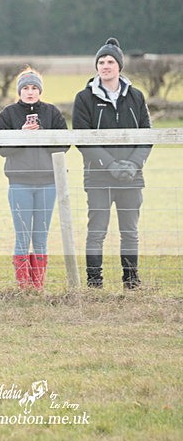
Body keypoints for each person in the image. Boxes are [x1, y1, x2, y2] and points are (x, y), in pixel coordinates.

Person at [72, 38, 152, 290]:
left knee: (130, 232)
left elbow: (147, 135)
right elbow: (82, 139)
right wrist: (110, 165)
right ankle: (94, 282)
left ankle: (131, 281)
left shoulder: (136, 96)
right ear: (96, 66)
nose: (105, 66)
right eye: (101, 62)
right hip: (97, 177)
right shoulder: (84, 98)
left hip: (132, 177)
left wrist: (132, 165)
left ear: (119, 66)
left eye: (110, 61)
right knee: (97, 232)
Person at [0, 66, 68, 290]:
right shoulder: (8, 114)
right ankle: (23, 285)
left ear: (40, 90)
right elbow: (1, 147)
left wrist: (42, 134)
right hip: (19, 182)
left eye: (34, 87)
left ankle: (38, 285)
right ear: (19, 90)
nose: (29, 92)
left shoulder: (52, 112)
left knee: (41, 236)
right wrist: (22, 135)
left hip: (47, 182)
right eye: (25, 87)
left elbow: (64, 144)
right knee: (22, 234)